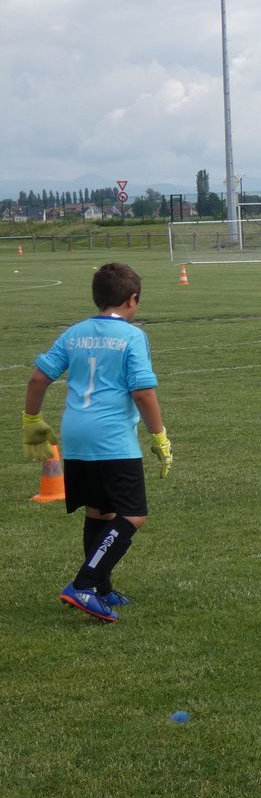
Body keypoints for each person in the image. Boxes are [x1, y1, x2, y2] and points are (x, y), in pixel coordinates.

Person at [22, 262, 173, 623]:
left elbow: (38, 378)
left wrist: (32, 420)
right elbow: (142, 391)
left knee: (99, 512)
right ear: (132, 300)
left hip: (76, 435)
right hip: (111, 439)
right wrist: (160, 436)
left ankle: (101, 589)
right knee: (133, 514)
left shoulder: (74, 333)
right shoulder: (132, 336)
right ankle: (85, 584)